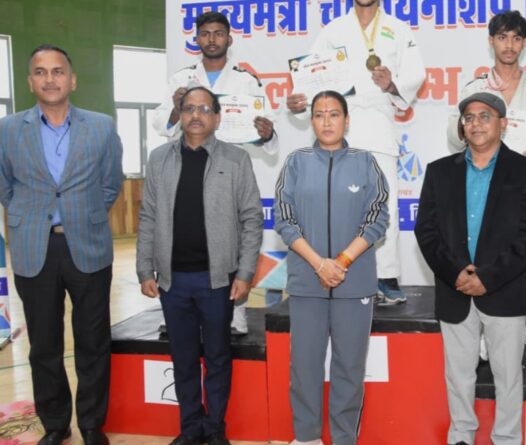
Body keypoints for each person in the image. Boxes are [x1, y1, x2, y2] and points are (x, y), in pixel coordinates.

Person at [0, 44, 123, 445]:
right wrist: (30, 216)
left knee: (93, 342)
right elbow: (5, 185)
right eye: (41, 72)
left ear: (72, 80)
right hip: (34, 248)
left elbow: (111, 183)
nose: (49, 79)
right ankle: (55, 424)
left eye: (57, 71)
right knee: (44, 345)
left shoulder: (101, 126)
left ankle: (91, 423)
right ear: (30, 81)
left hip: (87, 244)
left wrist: (84, 214)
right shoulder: (7, 129)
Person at [415, 92, 526, 445]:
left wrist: (489, 277)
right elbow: (426, 230)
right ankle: (461, 435)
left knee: (508, 376)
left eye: (485, 116)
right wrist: (456, 272)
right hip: (454, 288)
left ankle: (506, 438)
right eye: (469, 117)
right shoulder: (439, 171)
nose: (476, 123)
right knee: (458, 375)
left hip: (504, 289)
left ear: (503, 124)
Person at [137, 86, 264, 445]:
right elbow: (148, 216)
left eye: (204, 109)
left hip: (217, 281)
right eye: (188, 108)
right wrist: (145, 269)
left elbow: (252, 219)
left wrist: (245, 272)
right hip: (172, 281)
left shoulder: (236, 160)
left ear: (217, 118)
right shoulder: (159, 159)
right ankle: (191, 427)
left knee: (218, 356)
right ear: (180, 114)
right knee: (184, 358)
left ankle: (215, 427)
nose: (195, 115)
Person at [446, 9, 526, 365]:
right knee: (484, 259)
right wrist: (471, 131)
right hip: (483, 185)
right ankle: (483, 337)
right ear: (491, 41)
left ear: (524, 43)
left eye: (516, 38)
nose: (509, 45)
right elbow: (453, 133)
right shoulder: (474, 89)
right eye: (502, 37)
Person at [285, 0, 425, 305]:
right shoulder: (333, 30)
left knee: (384, 202)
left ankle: (386, 275)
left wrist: (392, 85)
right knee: (338, 203)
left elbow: (416, 74)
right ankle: (335, 267)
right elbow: (311, 76)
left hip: (377, 125)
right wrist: (300, 101)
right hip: (338, 126)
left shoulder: (398, 29)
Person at [274, 90, 389, 445]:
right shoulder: (295, 162)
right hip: (307, 282)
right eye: (320, 114)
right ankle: (306, 437)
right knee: (304, 367)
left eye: (334, 114)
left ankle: (343, 439)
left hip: (354, 284)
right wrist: (318, 264)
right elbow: (285, 220)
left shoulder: (366, 162)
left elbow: (377, 218)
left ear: (346, 120)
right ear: (311, 121)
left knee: (349, 369)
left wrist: (340, 262)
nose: (327, 121)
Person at [153, 11, 277, 335]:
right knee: (183, 234)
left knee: (231, 242)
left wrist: (266, 134)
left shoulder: (247, 81)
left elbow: (267, 132)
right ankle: (175, 312)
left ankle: (235, 314)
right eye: (205, 33)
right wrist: (175, 107)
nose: (212, 39)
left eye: (218, 33)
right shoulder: (180, 79)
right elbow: (160, 125)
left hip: (228, 170)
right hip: (188, 165)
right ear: (196, 39)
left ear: (229, 39)